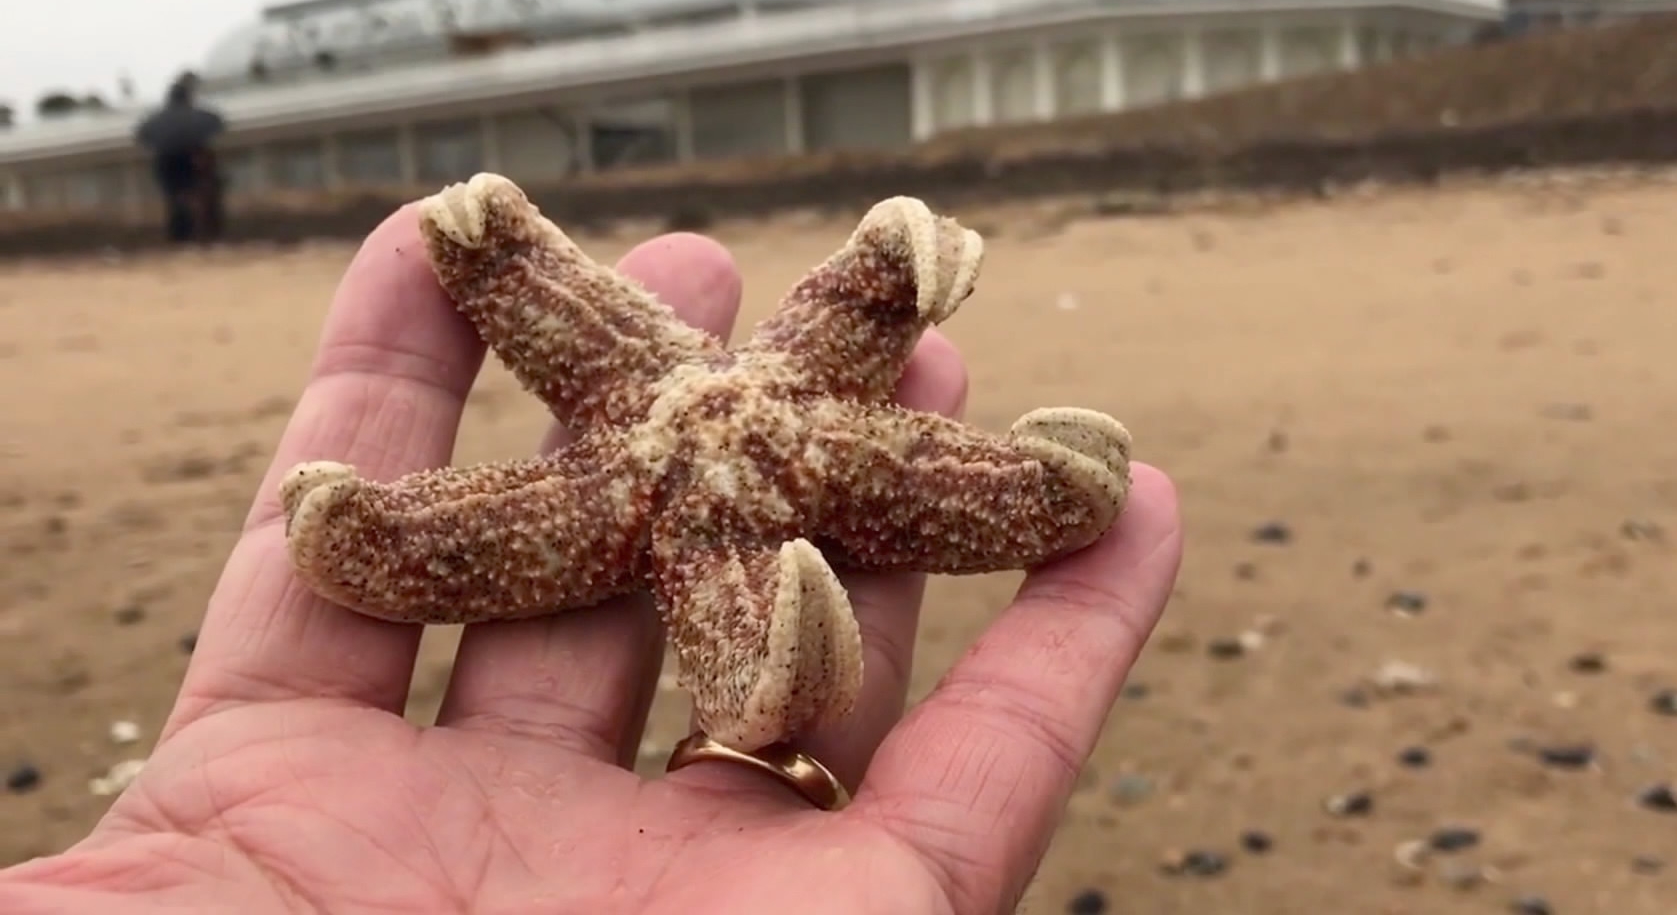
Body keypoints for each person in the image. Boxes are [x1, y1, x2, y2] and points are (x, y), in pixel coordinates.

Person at [0, 208, 1184, 913]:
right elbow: (506, 286)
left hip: (701, 463)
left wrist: (1053, 484)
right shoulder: (652, 447)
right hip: (672, 468)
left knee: (1059, 487)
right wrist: (492, 251)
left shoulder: (742, 429)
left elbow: (894, 289)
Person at [133, 73, 227, 244]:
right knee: (203, 198)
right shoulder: (199, 116)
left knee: (176, 201)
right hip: (193, 162)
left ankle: (180, 236)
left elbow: (142, 136)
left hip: (166, 165)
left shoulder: (155, 120)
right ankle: (208, 234)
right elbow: (217, 125)